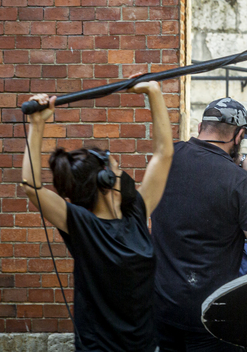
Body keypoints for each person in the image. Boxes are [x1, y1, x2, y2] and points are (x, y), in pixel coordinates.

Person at [21, 84, 173, 352]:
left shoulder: (136, 213)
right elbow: (31, 187)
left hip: (145, 346)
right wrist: (37, 125)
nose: (123, 171)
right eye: (118, 167)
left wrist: (154, 92)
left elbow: (164, 154)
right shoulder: (81, 224)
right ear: (105, 179)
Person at [152, 98, 247, 351]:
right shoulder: (241, 184)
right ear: (238, 136)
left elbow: (204, 163)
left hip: (160, 308)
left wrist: (240, 161)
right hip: (209, 315)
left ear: (202, 125)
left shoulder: (167, 158)